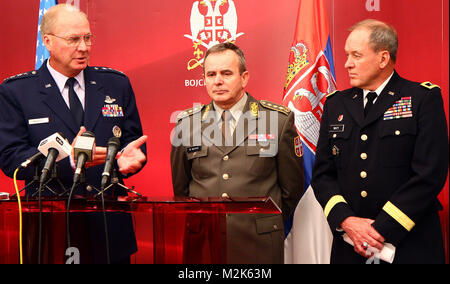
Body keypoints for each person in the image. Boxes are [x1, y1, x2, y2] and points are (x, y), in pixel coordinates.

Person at [0, 4, 147, 263]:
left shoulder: (115, 83)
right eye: (73, 39)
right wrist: (69, 161)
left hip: (108, 228)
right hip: (52, 228)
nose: (83, 47)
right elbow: (12, 160)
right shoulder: (17, 92)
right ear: (47, 41)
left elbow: (132, 144)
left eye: (87, 38)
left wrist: (126, 162)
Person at [311, 19, 448, 264]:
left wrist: (380, 230)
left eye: (356, 55)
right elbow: (323, 175)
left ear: (383, 58)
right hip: (350, 246)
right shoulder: (335, 104)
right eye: (346, 55)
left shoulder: (422, 99)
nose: (347, 64)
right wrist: (347, 221)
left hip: (409, 244)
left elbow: (430, 174)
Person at [170, 42, 304, 264]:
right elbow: (181, 188)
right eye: (211, 74)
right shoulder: (186, 124)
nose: (218, 81)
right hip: (205, 243)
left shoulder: (277, 121)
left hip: (258, 243)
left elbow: (292, 189)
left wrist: (264, 221)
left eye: (226, 73)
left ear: (244, 78)